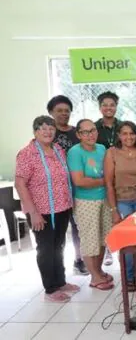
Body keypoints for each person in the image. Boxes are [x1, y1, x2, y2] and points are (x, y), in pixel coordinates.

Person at [15, 116, 79, 302]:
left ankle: (60, 281)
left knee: (59, 246)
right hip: (40, 212)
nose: (48, 132)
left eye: (51, 128)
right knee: (45, 248)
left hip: (61, 207)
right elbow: (21, 184)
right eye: (43, 128)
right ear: (35, 131)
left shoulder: (57, 149)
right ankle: (50, 289)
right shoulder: (27, 154)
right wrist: (33, 213)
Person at [67, 119, 114, 290]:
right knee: (89, 239)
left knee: (103, 238)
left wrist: (104, 183)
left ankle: (99, 271)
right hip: (85, 201)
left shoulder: (102, 149)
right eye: (85, 132)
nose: (90, 135)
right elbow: (79, 181)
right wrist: (105, 181)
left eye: (92, 130)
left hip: (105, 199)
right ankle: (94, 277)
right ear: (78, 134)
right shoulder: (75, 152)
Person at [104, 121, 136, 291]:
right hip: (122, 201)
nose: (128, 137)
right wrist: (113, 210)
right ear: (119, 136)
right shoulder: (112, 153)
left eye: (132, 133)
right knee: (128, 240)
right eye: (124, 133)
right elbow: (109, 183)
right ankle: (129, 276)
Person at [47, 95, 87, 275]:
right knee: (59, 230)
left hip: (79, 186)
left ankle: (80, 259)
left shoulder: (76, 132)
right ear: (51, 113)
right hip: (56, 189)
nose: (64, 114)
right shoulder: (48, 133)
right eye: (59, 111)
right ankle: (57, 268)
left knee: (78, 224)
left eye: (67, 111)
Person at [94, 91, 121, 266]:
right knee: (106, 216)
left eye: (112, 105)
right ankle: (108, 250)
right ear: (100, 107)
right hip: (99, 175)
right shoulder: (94, 128)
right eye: (105, 105)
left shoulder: (123, 126)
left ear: (116, 107)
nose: (108, 108)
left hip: (120, 176)